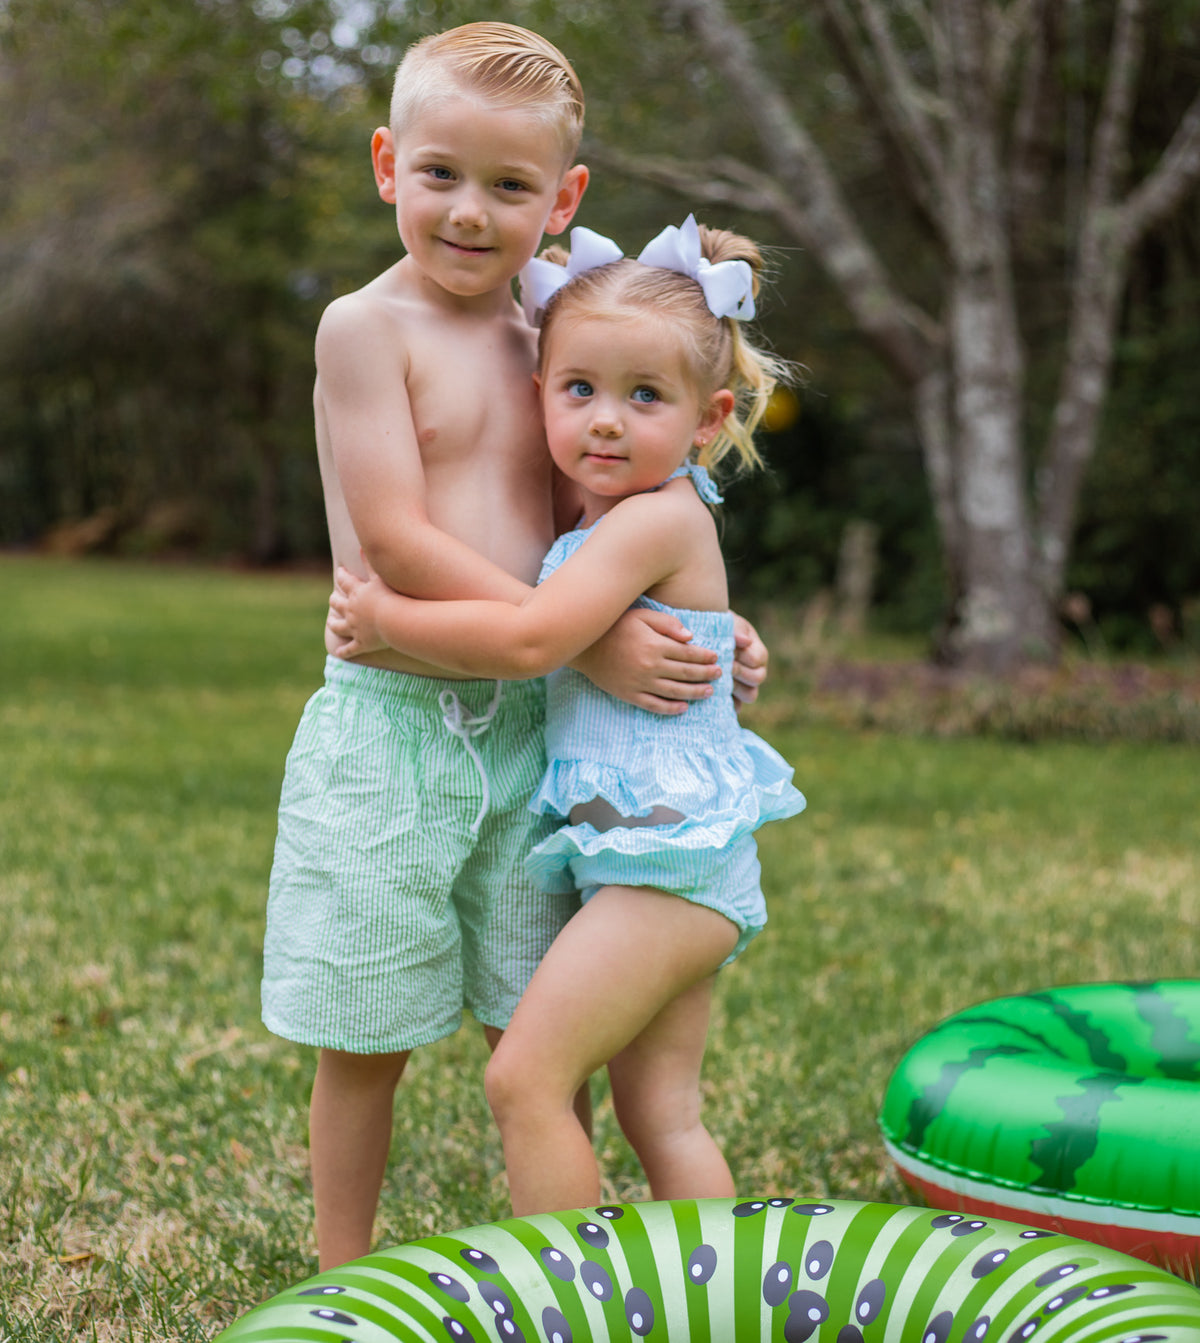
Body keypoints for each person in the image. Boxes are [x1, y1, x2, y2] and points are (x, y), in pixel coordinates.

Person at [262, 24, 768, 1269]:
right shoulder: (362, 330)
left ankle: (562, 1266)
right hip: (399, 721)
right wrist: (580, 647)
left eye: (508, 186)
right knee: (364, 1029)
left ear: (563, 200)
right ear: (388, 163)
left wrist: (697, 621)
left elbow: (597, 515)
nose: (470, 213)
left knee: (531, 1022)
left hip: (534, 743)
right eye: (439, 174)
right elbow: (394, 540)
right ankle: (342, 1270)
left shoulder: (555, 327)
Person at [327, 214, 807, 1214]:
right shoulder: (615, 518)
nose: (604, 420)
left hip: (661, 868)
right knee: (662, 1114)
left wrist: (387, 615)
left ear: (708, 419)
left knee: (526, 1080)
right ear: (540, 390)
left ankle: (565, 1303)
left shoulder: (652, 517)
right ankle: (710, 1304)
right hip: (675, 861)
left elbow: (534, 641)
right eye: (579, 388)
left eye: (645, 397)